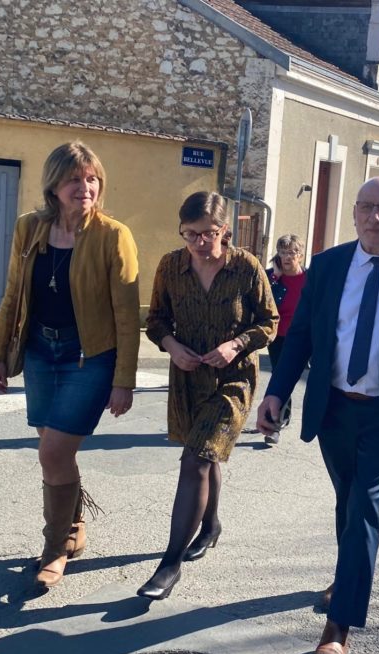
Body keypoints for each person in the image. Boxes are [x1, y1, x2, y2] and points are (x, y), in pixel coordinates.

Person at [256, 176, 379, 654]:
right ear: (354, 213)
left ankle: (338, 625)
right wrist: (276, 392)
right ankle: (347, 578)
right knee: (347, 500)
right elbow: (300, 336)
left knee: (364, 504)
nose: (374, 216)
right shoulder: (328, 266)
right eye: (366, 206)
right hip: (335, 409)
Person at [0, 141, 140, 588]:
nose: (85, 187)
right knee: (57, 455)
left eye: (92, 179)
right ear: (54, 184)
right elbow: (14, 294)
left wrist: (123, 380)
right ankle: (73, 532)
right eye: (75, 178)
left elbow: (128, 315)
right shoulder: (29, 229)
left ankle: (54, 551)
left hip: (87, 357)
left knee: (52, 453)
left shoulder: (113, 235)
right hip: (39, 353)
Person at [137, 191, 278, 600]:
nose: (199, 242)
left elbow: (269, 322)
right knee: (207, 453)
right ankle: (211, 525)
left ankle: (169, 564)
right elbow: (156, 319)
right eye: (190, 234)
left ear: (226, 232)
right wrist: (170, 345)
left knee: (195, 459)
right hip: (188, 378)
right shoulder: (170, 266)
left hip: (233, 381)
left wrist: (235, 345)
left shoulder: (246, 268)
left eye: (208, 234)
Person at [263, 234, 308, 446]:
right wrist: (275, 278)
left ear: (300, 254)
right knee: (280, 378)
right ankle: (275, 424)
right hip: (279, 337)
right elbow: (263, 303)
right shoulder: (271, 277)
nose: (287, 257)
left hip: (306, 336)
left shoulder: (310, 278)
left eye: (291, 252)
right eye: (283, 252)